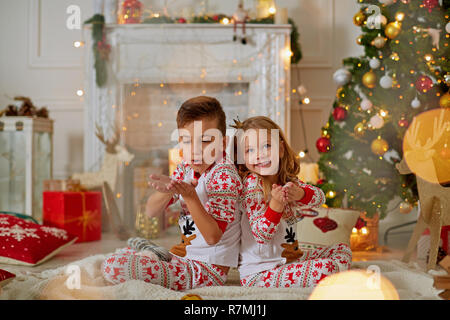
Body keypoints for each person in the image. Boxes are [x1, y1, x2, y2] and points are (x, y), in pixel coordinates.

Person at [102, 96, 242, 290]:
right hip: (184, 257)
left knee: (113, 267)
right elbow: (150, 212)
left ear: (223, 143)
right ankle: (155, 254)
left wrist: (190, 196)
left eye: (206, 141)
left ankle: (154, 254)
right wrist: (167, 191)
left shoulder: (225, 175)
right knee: (121, 253)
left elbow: (212, 237)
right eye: (186, 141)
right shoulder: (186, 166)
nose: (195, 151)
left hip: (206, 271)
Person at [233, 116, 352, 288]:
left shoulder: (287, 181)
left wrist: (301, 193)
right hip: (260, 272)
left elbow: (320, 198)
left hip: (288, 260)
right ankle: (336, 280)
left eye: (266, 146)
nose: (259, 155)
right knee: (328, 268)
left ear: (280, 149)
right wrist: (276, 204)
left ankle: (335, 280)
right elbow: (261, 235)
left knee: (342, 250)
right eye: (249, 150)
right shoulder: (252, 185)